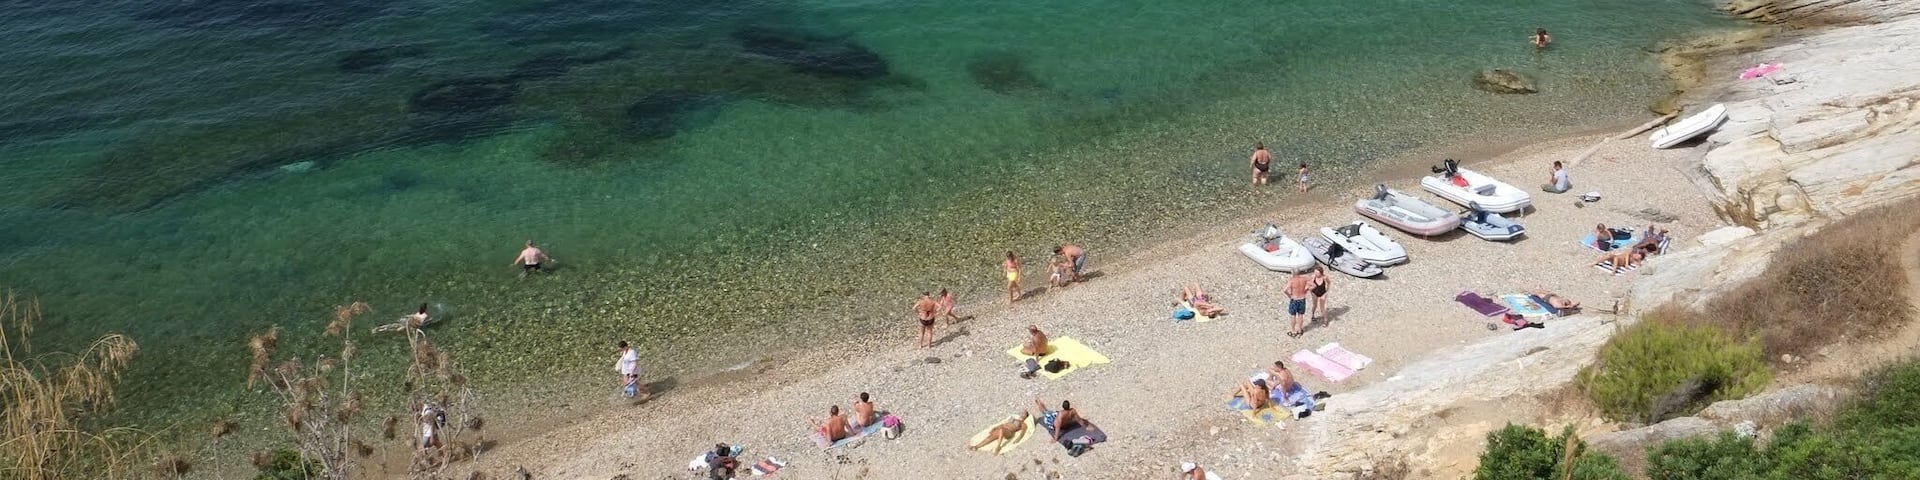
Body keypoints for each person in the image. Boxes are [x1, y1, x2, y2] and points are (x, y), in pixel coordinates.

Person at [1284, 271, 1312, 338]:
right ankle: (1300, 329)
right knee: (1300, 315)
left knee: (1293, 315)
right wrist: (1306, 290)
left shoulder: (1292, 280)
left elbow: (1285, 290)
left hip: (1294, 299)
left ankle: (1293, 330)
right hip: (1302, 299)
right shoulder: (1304, 279)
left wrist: (1289, 296)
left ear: (1293, 273)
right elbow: (1313, 285)